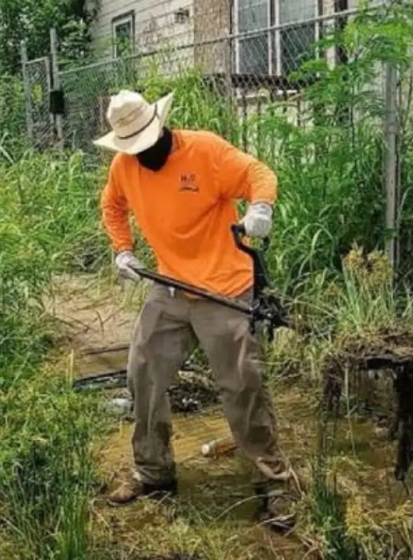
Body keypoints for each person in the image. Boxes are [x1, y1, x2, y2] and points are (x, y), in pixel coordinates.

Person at [95, 90, 295, 533]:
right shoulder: (124, 166)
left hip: (224, 287)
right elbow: (112, 206)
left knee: (241, 386)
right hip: (169, 286)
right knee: (142, 373)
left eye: (146, 142)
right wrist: (123, 252)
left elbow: (258, 173)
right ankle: (153, 471)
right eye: (132, 148)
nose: (141, 154)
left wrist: (260, 207)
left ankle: (273, 485)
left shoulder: (204, 150)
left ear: (160, 127)